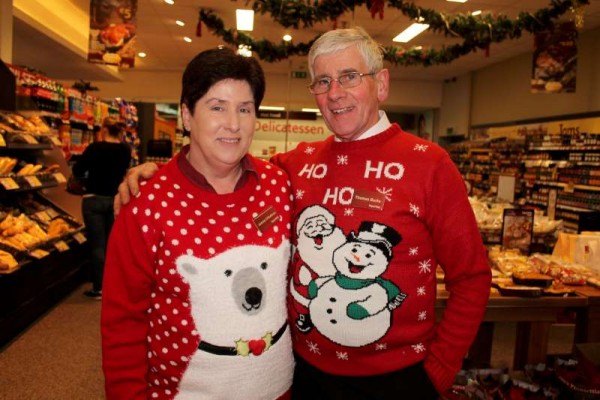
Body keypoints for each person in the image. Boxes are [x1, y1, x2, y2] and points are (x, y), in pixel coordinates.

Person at [116, 27, 491, 399]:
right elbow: (223, 162)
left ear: (381, 84)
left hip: (398, 379)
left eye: (349, 77)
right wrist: (156, 174)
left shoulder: (429, 165)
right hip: (306, 375)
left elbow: (471, 275)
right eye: (322, 81)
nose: (335, 93)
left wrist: (440, 369)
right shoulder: (296, 164)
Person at [101, 48, 294, 400]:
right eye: (217, 106)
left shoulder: (279, 184)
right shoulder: (146, 204)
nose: (233, 124)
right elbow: (122, 323)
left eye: (245, 109)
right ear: (187, 116)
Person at [72, 116, 131, 299]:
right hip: (115, 200)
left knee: (97, 245)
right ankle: (114, 286)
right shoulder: (124, 150)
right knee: (112, 245)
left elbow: (77, 171)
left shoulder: (94, 148)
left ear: (104, 130)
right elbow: (124, 171)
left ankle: (99, 287)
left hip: (93, 200)